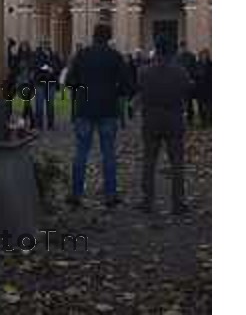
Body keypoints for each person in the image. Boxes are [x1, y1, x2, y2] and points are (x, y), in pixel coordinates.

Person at [65, 24, 132, 208]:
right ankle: (110, 195)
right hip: (108, 109)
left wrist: (81, 88)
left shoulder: (82, 55)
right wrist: (113, 91)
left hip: (85, 108)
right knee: (108, 153)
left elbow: (70, 81)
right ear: (109, 37)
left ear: (93, 36)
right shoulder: (115, 57)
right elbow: (127, 85)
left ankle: (76, 194)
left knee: (81, 153)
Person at [138, 36, 192, 215]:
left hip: (151, 120)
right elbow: (187, 92)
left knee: (149, 162)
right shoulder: (180, 72)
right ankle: (178, 202)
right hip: (174, 120)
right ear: (172, 52)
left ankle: (147, 201)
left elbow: (142, 93)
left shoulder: (144, 72)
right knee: (177, 163)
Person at [33, 40, 62, 130]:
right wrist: (44, 67)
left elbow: (60, 66)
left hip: (51, 82)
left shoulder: (53, 54)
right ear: (41, 44)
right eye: (44, 43)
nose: (46, 45)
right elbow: (34, 65)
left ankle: (50, 124)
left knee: (50, 105)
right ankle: (39, 124)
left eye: (47, 43)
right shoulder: (36, 54)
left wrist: (53, 68)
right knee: (39, 105)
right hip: (40, 82)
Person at [176, 41, 197, 126]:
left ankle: (190, 119)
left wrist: (192, 78)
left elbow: (194, 68)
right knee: (180, 101)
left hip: (188, 81)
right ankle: (181, 118)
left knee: (189, 101)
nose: (183, 48)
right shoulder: (177, 57)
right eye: (181, 47)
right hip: (180, 82)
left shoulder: (191, 56)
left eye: (184, 47)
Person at [16, 41, 35, 128]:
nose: (24, 48)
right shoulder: (19, 57)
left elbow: (32, 69)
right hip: (21, 81)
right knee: (26, 102)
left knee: (27, 101)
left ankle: (26, 120)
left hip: (28, 82)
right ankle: (29, 120)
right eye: (22, 46)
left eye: (25, 46)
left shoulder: (30, 57)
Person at [195, 49, 212, 128]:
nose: (204, 56)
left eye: (205, 55)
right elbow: (194, 74)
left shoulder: (211, 64)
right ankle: (203, 121)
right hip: (200, 88)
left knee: (209, 106)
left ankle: (210, 120)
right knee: (200, 106)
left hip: (209, 88)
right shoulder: (197, 64)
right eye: (202, 55)